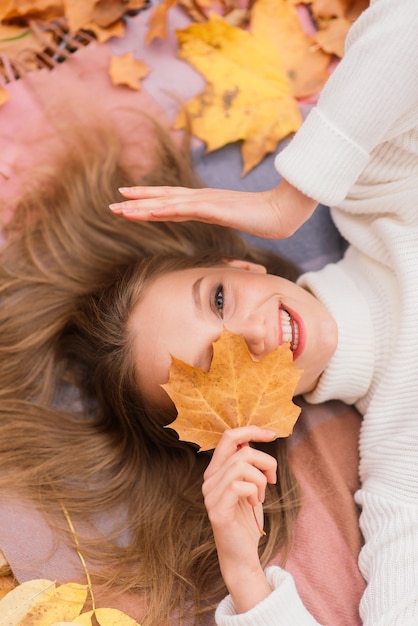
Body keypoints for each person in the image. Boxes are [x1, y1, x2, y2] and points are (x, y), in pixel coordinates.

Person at [106, 0, 418, 623]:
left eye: (219, 300)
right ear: (228, 430)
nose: (250, 333)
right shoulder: (400, 462)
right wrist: (248, 581)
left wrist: (290, 197)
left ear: (244, 267)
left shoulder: (377, 193)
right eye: (214, 370)